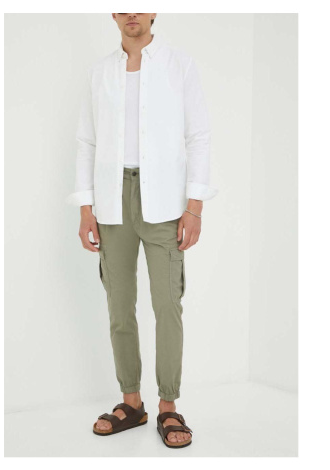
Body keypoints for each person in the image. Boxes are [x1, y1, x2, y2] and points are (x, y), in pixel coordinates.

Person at [67, 13, 217, 449]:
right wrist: (86, 208)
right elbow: (87, 142)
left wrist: (194, 207)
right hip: (111, 199)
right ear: (113, 13)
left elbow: (198, 136)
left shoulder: (179, 65)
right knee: (119, 305)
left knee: (167, 304)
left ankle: (168, 405)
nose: (131, 12)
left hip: (165, 200)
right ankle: (131, 402)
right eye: (122, 6)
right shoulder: (100, 72)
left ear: (153, 12)